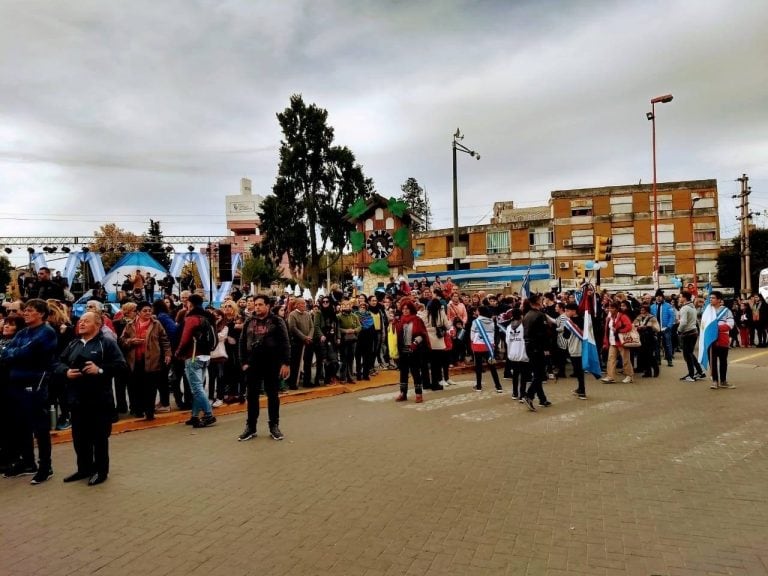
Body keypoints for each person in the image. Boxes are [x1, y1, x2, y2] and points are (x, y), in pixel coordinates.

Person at [56, 312, 127, 486]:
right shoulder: (73, 344)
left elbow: (121, 366)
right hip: (76, 399)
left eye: (86, 321)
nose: (81, 324)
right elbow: (58, 363)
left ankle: (101, 471)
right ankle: (84, 469)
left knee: (99, 438)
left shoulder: (107, 343)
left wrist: (100, 370)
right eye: (80, 321)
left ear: (97, 324)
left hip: (99, 400)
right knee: (79, 438)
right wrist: (65, 372)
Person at [1, 299, 58, 484]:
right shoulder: (23, 332)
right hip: (16, 383)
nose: (25, 313)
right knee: (20, 425)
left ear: (41, 313)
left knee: (40, 428)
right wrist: (13, 354)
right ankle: (27, 463)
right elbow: (6, 352)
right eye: (25, 310)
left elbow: (23, 353)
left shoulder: (46, 333)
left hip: (35, 384)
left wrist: (13, 354)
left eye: (30, 310)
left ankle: (45, 467)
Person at [238, 294, 290, 441]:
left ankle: (274, 426)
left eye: (260, 304)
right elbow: (242, 343)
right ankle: (251, 427)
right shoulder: (249, 321)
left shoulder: (277, 321)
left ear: (267, 306)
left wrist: (285, 363)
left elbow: (285, 343)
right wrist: (244, 363)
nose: (257, 307)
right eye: (256, 305)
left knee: (272, 395)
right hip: (252, 363)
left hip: (271, 363)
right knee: (252, 396)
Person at [120, 301, 172, 420]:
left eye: (149, 310)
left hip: (152, 360)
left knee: (151, 387)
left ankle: (149, 412)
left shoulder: (156, 324)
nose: (148, 313)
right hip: (136, 360)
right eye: (145, 311)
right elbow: (122, 340)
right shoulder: (130, 324)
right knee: (137, 386)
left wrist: (168, 354)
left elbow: (165, 340)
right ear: (138, 312)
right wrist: (131, 341)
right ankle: (138, 410)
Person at [174, 294, 217, 428]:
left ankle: (208, 415)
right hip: (206, 356)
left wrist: (178, 352)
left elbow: (185, 338)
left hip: (193, 355)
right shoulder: (208, 317)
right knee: (199, 387)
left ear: (190, 304)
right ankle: (194, 415)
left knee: (196, 388)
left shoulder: (192, 319)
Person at [394, 300, 429, 403]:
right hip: (403, 351)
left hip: (414, 351)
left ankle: (418, 394)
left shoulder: (417, 320)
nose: (405, 311)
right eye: (403, 309)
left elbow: (422, 334)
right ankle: (403, 393)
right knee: (403, 372)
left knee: (415, 372)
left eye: (407, 309)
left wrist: (415, 343)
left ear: (411, 309)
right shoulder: (401, 321)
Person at [522, 294, 551, 411]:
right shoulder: (539, 315)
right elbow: (543, 334)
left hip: (529, 346)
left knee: (537, 373)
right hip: (537, 347)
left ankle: (542, 398)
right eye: (541, 299)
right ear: (537, 302)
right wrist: (546, 348)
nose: (543, 301)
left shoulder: (527, 315)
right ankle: (529, 395)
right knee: (540, 374)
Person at [705, 291, 735, 389]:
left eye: (713, 298)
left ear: (719, 300)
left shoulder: (726, 311)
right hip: (711, 340)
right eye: (710, 298)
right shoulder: (708, 311)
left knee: (723, 361)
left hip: (722, 339)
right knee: (712, 361)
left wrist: (717, 329)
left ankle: (723, 381)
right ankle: (714, 381)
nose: (711, 299)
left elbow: (731, 324)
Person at [470, 305, 502, 393]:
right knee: (492, 366)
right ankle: (498, 386)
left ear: (479, 312)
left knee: (478, 367)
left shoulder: (475, 322)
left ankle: (479, 386)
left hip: (478, 346)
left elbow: (472, 336)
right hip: (489, 346)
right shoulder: (491, 322)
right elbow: (493, 334)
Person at [601, 300, 635, 384]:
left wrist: (619, 330)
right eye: (609, 308)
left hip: (622, 341)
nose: (610, 309)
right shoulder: (609, 317)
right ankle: (610, 376)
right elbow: (607, 330)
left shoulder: (623, 316)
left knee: (625, 359)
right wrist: (606, 341)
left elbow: (629, 327)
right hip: (612, 341)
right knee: (611, 359)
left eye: (612, 308)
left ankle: (629, 376)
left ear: (616, 309)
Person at [677, 291, 706, 382]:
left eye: (680, 297)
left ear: (685, 298)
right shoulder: (692, 307)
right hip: (693, 332)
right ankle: (700, 372)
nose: (679, 298)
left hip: (687, 333)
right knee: (690, 353)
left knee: (687, 355)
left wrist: (679, 330)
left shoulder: (685, 308)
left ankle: (691, 374)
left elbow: (684, 322)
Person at [287, 298, 314, 389]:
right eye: (302, 304)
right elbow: (293, 328)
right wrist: (304, 337)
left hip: (309, 342)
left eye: (304, 304)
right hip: (297, 342)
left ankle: (307, 381)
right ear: (297, 305)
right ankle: (293, 383)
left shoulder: (307, 314)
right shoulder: (292, 315)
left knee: (308, 363)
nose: (304, 305)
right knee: (295, 363)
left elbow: (312, 327)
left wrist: (309, 336)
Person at [504, 308, 529, 400]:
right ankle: (522, 394)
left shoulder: (508, 327)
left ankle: (514, 393)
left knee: (515, 374)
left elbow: (507, 340)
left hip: (512, 353)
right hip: (522, 353)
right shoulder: (524, 326)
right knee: (523, 375)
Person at [650, 290, 676, 367]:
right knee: (656, 345)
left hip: (665, 328)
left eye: (660, 296)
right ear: (655, 297)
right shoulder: (652, 306)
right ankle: (658, 360)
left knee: (667, 345)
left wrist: (669, 326)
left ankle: (669, 360)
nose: (658, 298)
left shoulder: (668, 306)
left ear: (663, 297)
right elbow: (651, 317)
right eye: (657, 296)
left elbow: (672, 316)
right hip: (656, 328)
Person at [633, 304, 660, 378]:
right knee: (644, 356)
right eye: (641, 310)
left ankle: (656, 370)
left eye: (643, 310)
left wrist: (649, 326)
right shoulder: (639, 317)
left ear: (647, 311)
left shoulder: (652, 318)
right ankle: (647, 372)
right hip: (641, 339)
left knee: (650, 356)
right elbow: (633, 325)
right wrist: (637, 327)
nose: (642, 312)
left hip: (650, 339)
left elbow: (658, 329)